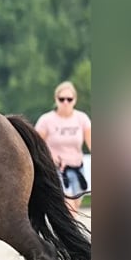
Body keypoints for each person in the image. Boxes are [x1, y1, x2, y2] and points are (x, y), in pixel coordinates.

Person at [35, 81, 92, 212]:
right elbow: (37, 145)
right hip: (57, 169)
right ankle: (70, 231)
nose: (65, 102)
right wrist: (47, 160)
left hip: (77, 168)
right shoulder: (46, 120)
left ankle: (68, 230)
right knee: (68, 205)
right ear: (56, 99)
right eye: (62, 99)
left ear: (75, 100)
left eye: (69, 99)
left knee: (75, 206)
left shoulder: (82, 119)